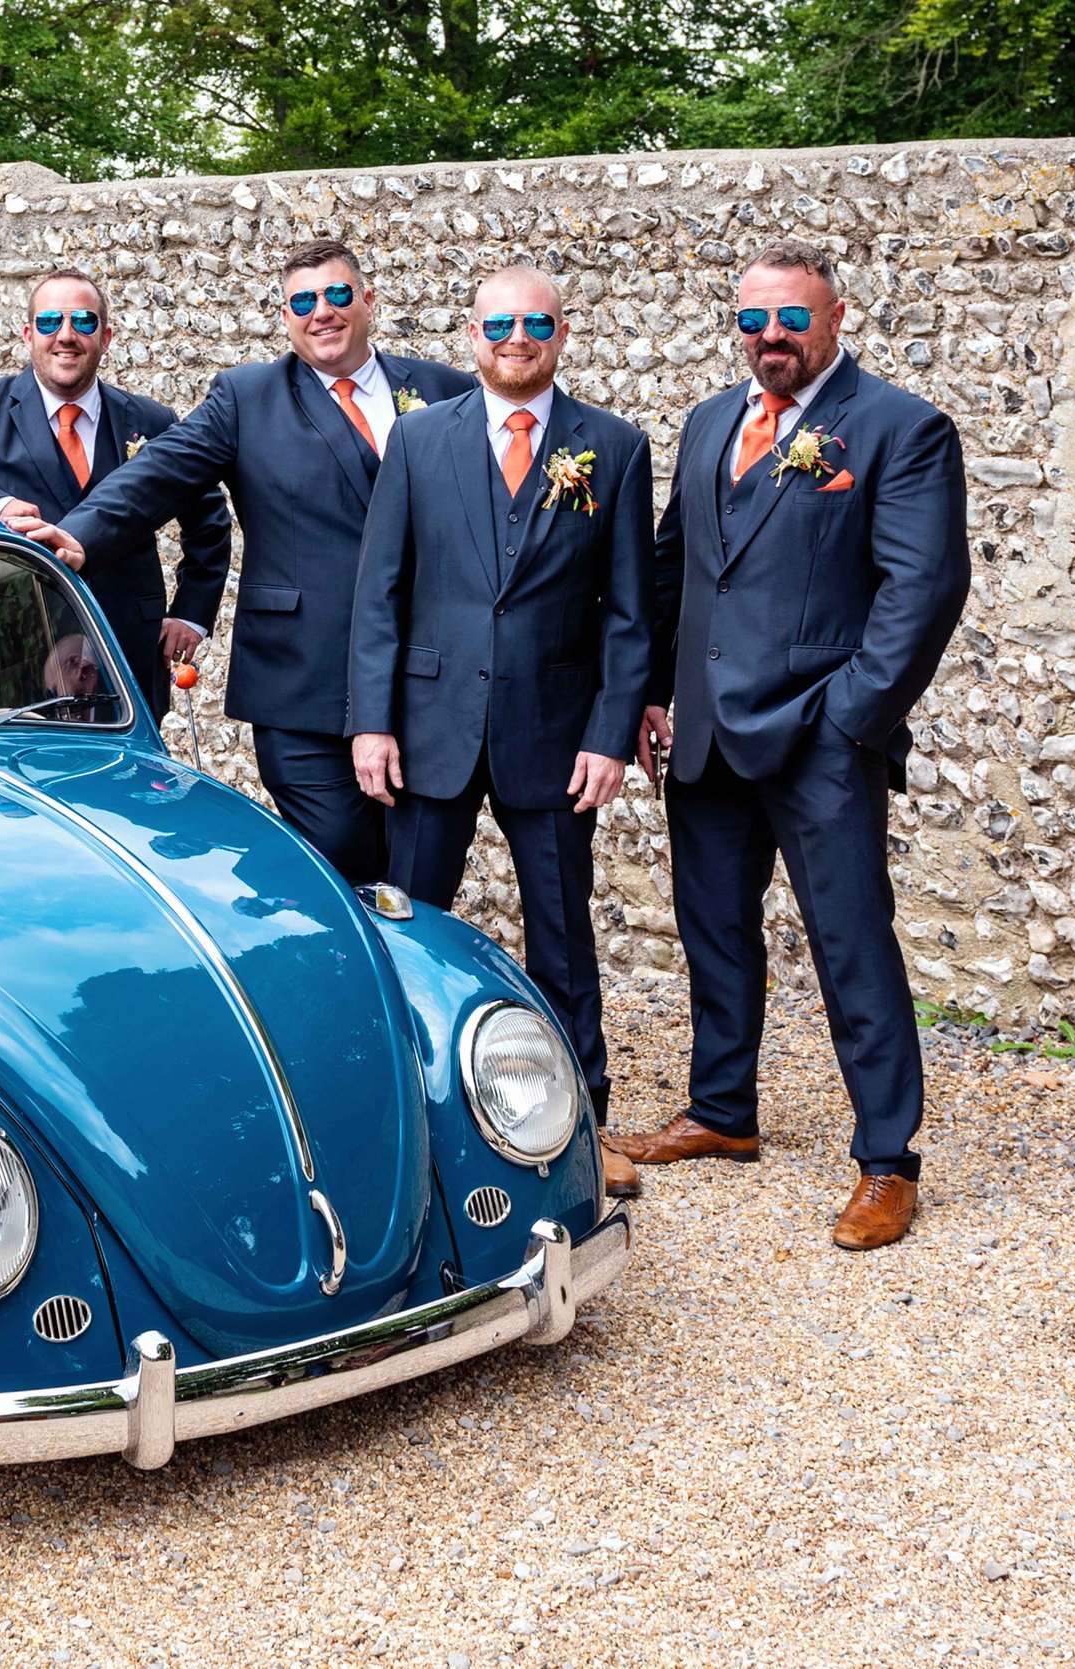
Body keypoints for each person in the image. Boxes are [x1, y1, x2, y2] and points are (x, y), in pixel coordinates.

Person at [614, 239, 969, 1251]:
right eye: (752, 320)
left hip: (820, 735)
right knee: (713, 929)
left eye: (790, 318)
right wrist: (649, 691)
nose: (770, 337)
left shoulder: (900, 427)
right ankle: (722, 1110)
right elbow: (676, 565)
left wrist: (850, 718)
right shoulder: (710, 420)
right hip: (704, 732)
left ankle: (887, 1160)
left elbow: (924, 589)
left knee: (850, 941)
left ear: (836, 316)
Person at [347, 267, 654, 1199]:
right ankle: (408, 1122)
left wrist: (608, 735)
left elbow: (630, 614)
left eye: (536, 323)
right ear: (471, 330)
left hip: (556, 734)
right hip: (430, 726)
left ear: (562, 332)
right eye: (499, 322)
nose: (517, 337)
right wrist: (372, 723)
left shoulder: (614, 446)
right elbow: (380, 593)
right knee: (408, 927)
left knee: (562, 933)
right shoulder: (416, 438)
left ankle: (586, 1123)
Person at [52, 240, 477, 884]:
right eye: (303, 301)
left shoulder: (445, 391)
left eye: (337, 295)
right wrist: (79, 536)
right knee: (339, 860)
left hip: (427, 681)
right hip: (302, 683)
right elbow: (159, 473)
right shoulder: (246, 397)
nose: (322, 312)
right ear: (285, 316)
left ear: (368, 300)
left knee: (425, 877)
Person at [0, 268, 232, 718]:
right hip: (15, 644)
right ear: (27, 334)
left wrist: (191, 613)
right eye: (49, 323)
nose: (66, 336)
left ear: (106, 336)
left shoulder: (150, 419)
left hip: (128, 642)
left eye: (83, 322)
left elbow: (209, 517)